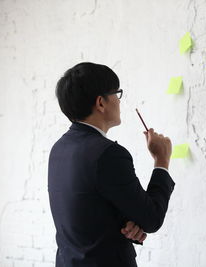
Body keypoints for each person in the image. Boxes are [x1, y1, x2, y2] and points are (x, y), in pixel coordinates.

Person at [48, 62, 175, 266]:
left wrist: (128, 223)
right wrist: (162, 160)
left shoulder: (59, 149)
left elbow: (87, 209)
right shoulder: (109, 154)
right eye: (117, 94)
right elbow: (152, 218)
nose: (118, 100)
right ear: (101, 103)